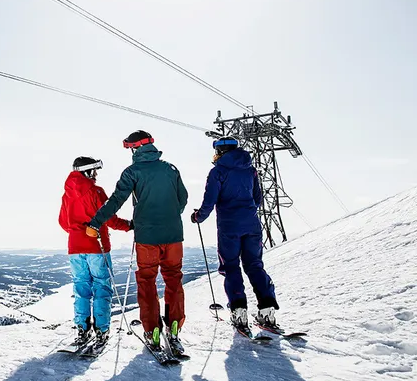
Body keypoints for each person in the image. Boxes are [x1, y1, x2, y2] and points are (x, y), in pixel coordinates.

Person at [86, 131, 188, 350]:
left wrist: (95, 223)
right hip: (174, 236)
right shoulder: (170, 169)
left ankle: (152, 331)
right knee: (173, 279)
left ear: (134, 149)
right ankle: (174, 328)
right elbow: (183, 198)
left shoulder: (132, 172)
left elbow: (116, 201)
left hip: (147, 238)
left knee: (147, 281)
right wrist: (170, 216)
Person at [190, 136, 279, 330]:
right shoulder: (251, 170)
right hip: (252, 225)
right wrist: (245, 212)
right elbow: (257, 198)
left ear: (221, 152)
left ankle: (239, 311)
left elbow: (209, 201)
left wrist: (198, 217)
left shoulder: (217, 172)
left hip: (229, 227)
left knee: (230, 267)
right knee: (255, 265)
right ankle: (268, 310)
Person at [59, 156, 132, 346]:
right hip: (97, 246)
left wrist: (77, 231)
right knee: (101, 286)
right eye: (94, 170)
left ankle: (82, 328)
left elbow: (63, 222)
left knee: (81, 286)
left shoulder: (67, 194)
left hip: (75, 247)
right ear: (88, 171)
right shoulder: (95, 191)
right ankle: (101, 329)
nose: (96, 174)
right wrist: (130, 225)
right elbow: (109, 218)